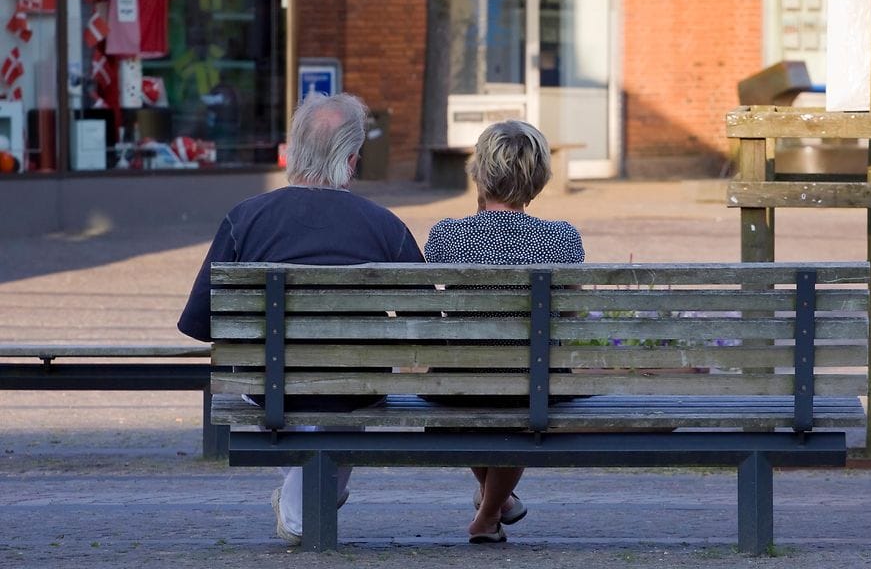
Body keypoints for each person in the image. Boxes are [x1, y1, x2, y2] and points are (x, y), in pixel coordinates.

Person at [177, 92, 424, 546]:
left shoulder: (245, 218)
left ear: (293, 151)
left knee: (308, 398)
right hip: (353, 390)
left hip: (268, 387)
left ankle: (299, 513)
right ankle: (301, 510)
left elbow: (199, 324)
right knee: (341, 398)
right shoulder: (385, 226)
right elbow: (426, 326)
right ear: (351, 160)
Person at [422, 119, 585, 544]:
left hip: (457, 381)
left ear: (479, 174)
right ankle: (495, 509)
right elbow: (570, 312)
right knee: (522, 401)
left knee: (473, 394)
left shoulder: (447, 235)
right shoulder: (561, 239)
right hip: (535, 382)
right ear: (539, 179)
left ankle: (490, 512)